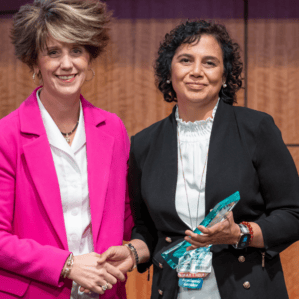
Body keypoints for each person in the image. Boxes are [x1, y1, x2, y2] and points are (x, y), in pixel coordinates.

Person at [99, 20, 299, 299]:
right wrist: (132, 251)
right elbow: (147, 229)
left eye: (209, 63)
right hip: (172, 290)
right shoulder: (144, 144)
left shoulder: (257, 129)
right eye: (185, 60)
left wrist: (240, 233)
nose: (196, 72)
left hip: (247, 288)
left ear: (225, 75)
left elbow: (293, 214)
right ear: (170, 71)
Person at [0, 0, 133, 298]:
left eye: (76, 51)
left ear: (90, 56)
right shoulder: (6, 135)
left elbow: (127, 218)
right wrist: (68, 264)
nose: (67, 64)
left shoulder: (113, 129)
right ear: (34, 62)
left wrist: (138, 248)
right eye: (53, 52)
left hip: (104, 291)